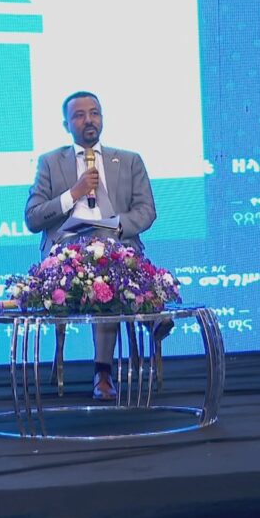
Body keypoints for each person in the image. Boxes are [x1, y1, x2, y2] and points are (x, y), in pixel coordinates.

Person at [25, 91, 157, 400]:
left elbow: (147, 211)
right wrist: (74, 193)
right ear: (66, 124)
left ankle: (103, 373)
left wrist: (115, 227)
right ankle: (150, 321)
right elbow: (33, 218)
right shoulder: (50, 163)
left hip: (116, 247)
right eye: (79, 115)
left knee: (109, 266)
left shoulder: (129, 160)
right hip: (67, 252)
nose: (89, 120)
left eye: (94, 113)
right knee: (103, 269)